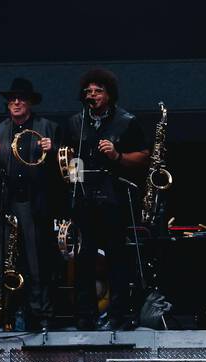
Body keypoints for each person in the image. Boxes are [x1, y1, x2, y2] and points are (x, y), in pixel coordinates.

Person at [63, 68, 148, 330]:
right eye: (88, 91)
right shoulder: (75, 122)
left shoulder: (126, 121)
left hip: (114, 198)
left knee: (116, 257)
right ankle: (85, 315)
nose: (92, 95)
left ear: (109, 94)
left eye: (98, 90)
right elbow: (65, 155)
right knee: (84, 258)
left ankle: (118, 314)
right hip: (83, 198)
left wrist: (117, 156)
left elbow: (144, 156)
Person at [0, 78, 61, 331]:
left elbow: (65, 168)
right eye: (12, 99)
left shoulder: (47, 127)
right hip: (7, 202)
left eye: (21, 98)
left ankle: (41, 314)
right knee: (3, 262)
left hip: (34, 202)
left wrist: (53, 150)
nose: (16, 102)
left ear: (29, 102)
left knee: (36, 261)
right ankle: (2, 312)